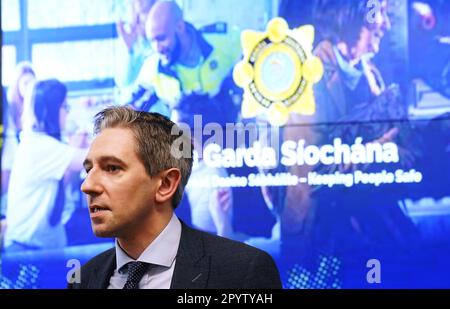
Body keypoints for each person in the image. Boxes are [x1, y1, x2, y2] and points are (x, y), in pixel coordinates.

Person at [277, 0, 419, 283]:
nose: (386, 24)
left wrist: (388, 150)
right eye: (377, 12)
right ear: (349, 14)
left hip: (367, 230)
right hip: (320, 241)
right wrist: (372, 152)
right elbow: (309, 177)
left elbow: (406, 151)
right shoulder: (308, 78)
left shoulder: (371, 74)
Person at [68, 106, 281, 289]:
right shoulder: (83, 279)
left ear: (166, 184)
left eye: (112, 168)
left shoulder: (243, 272)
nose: (88, 186)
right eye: (88, 170)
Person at [3, 79, 88, 251]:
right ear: (51, 110)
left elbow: (62, 180)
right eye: (65, 107)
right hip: (27, 250)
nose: (67, 112)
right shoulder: (38, 145)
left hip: (44, 246)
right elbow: (93, 157)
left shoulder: (40, 142)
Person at [127, 0, 241, 120]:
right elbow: (129, 107)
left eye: (161, 38)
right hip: (183, 136)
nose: (157, 48)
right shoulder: (153, 67)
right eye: (152, 41)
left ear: (180, 27)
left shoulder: (223, 43)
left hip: (228, 131)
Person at [115, 0, 157, 90]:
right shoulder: (128, 32)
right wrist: (129, 49)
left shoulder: (165, 24)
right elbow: (124, 82)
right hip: (140, 98)